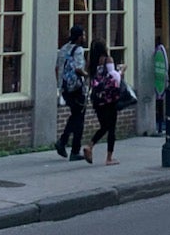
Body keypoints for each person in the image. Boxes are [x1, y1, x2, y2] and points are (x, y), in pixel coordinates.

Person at [84, 39, 125, 166]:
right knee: (111, 127)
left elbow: (89, 78)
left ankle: (90, 146)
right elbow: (115, 77)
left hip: (97, 98)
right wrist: (122, 71)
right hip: (110, 98)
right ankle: (109, 157)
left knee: (104, 126)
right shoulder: (108, 59)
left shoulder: (91, 63)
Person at [54, 24, 87, 162]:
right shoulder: (78, 50)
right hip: (77, 89)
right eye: (83, 35)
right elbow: (79, 69)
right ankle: (73, 149)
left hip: (65, 88)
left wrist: (60, 85)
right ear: (79, 37)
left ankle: (63, 142)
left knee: (75, 115)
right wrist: (88, 75)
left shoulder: (63, 48)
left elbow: (56, 68)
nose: (84, 37)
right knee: (79, 118)